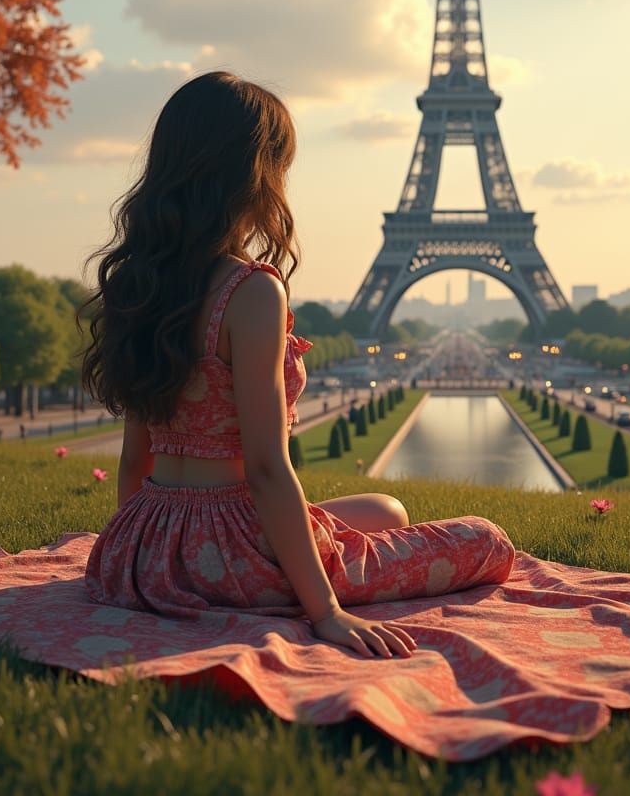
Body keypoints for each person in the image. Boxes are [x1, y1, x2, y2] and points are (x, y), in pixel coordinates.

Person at [78, 71, 514, 659]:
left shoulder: (142, 286)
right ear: (256, 174)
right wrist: (326, 612)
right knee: (486, 541)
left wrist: (137, 563)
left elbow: (136, 458)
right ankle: (292, 576)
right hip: (233, 558)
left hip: (152, 542)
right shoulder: (251, 291)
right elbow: (264, 470)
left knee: (385, 510)